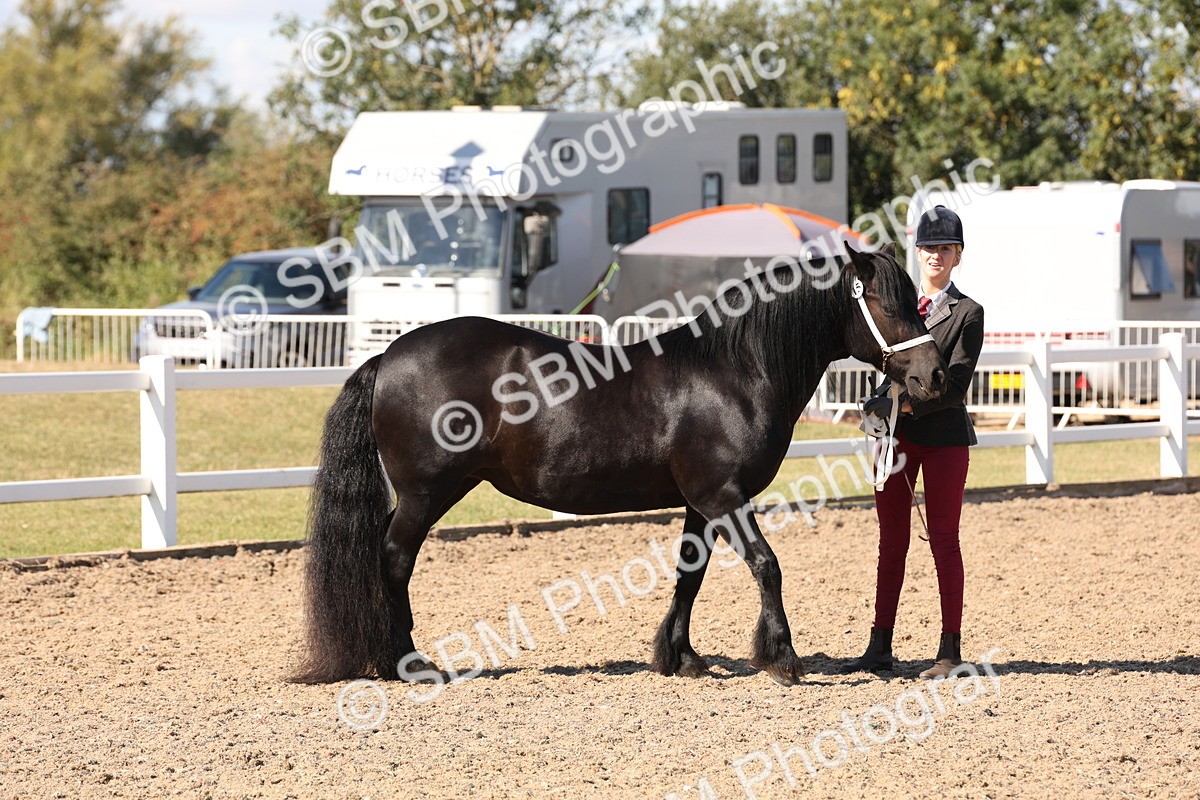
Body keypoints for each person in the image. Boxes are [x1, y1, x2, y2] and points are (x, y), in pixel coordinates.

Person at [843, 205, 985, 680]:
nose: (935, 256)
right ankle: (879, 645)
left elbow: (957, 383)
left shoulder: (967, 313)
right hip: (896, 441)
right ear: (916, 252)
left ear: (957, 256)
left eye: (945, 248)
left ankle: (950, 648)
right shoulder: (899, 303)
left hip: (944, 439)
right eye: (928, 248)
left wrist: (902, 407)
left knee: (943, 539)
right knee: (891, 543)